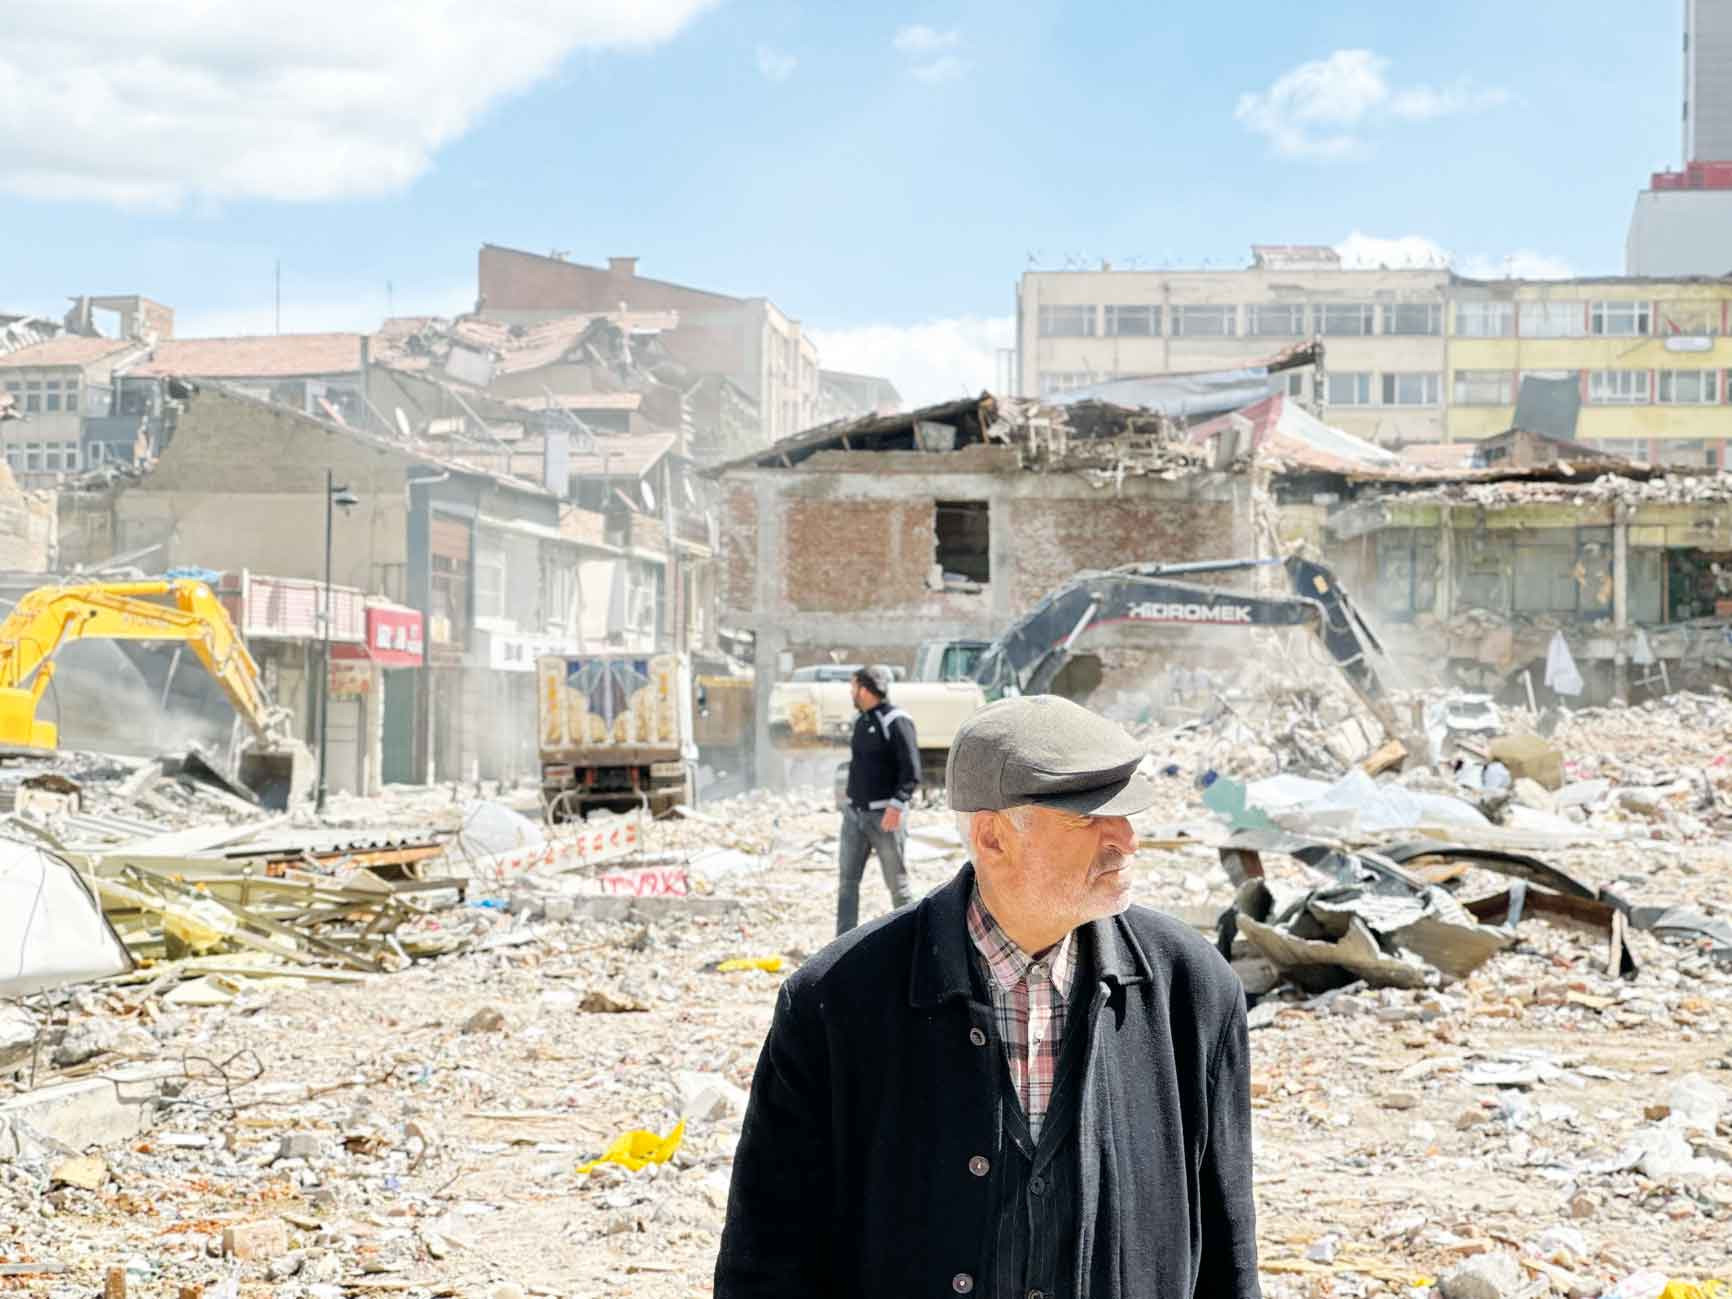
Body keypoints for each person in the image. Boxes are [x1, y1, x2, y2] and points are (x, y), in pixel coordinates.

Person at [716, 694, 1260, 1299]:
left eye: (1127, 813)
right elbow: (766, 1262)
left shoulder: (1193, 991)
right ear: (993, 838)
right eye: (1089, 818)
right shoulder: (837, 1003)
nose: (1127, 840)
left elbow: (1229, 1254)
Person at [834, 664, 918, 936]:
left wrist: (897, 804)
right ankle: (842, 943)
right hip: (854, 816)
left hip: (885, 818)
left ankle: (910, 942)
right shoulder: (861, 721)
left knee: (898, 886)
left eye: (853, 686)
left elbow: (911, 771)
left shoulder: (895, 720)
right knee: (847, 883)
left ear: (865, 689)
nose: (850, 692)